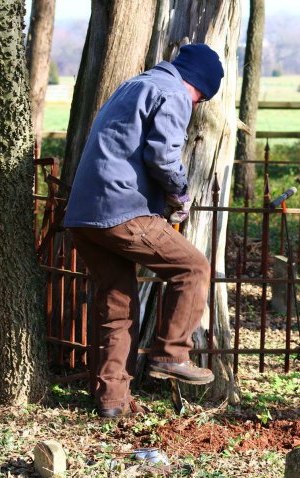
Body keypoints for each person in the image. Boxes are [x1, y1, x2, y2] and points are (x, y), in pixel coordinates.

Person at [63, 43, 224, 418]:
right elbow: (163, 156)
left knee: (116, 305)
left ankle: (112, 401)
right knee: (193, 268)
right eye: (201, 97)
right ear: (197, 84)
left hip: (85, 216)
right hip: (122, 211)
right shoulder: (173, 93)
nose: (197, 105)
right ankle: (171, 354)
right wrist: (180, 192)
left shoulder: (136, 85)